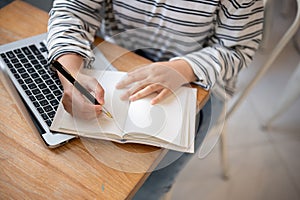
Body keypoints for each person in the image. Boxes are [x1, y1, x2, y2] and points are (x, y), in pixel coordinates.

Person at [47, 0, 264, 199]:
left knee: (142, 186)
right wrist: (71, 75)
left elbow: (237, 50)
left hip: (200, 79)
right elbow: (73, 9)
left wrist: (183, 69)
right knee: (70, 166)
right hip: (114, 55)